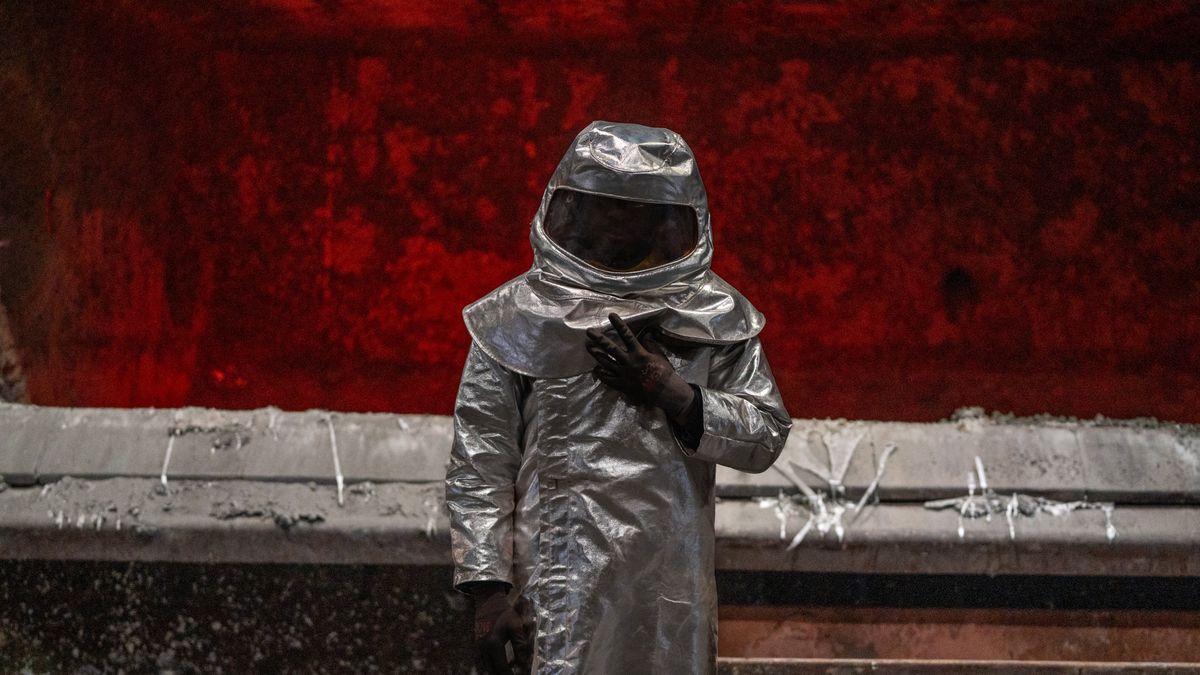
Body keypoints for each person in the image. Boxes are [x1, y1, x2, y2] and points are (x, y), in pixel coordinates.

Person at [445, 121, 791, 674]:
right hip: (554, 584)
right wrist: (486, 589)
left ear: (669, 216)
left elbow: (765, 433)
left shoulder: (711, 316)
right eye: (602, 205)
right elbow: (480, 459)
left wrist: (674, 393)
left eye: (633, 209)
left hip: (668, 587)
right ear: (571, 206)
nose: (615, 223)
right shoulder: (520, 320)